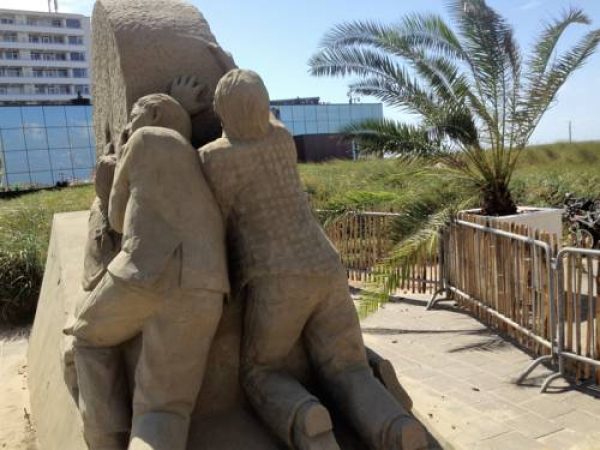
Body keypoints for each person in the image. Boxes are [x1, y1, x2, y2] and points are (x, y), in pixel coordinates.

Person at [199, 69, 427, 450]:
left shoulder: (213, 159)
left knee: (260, 370)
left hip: (277, 277)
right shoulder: (283, 140)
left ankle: (307, 421)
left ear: (222, 111)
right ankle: (394, 426)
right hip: (326, 264)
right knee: (349, 367)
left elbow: (214, 221)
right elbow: (264, 119)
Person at [66, 93, 229, 450]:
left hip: (147, 271)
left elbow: (117, 217)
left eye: (133, 116)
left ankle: (105, 439)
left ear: (154, 114)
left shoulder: (143, 139)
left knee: (87, 338)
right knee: (164, 409)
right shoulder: (198, 161)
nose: (126, 127)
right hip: (208, 288)